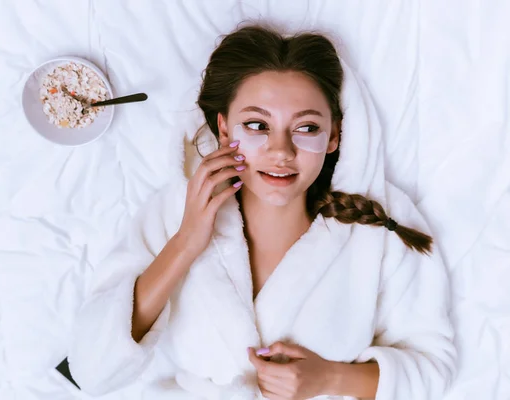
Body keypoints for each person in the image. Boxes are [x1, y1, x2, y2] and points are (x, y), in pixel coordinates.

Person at [68, 25, 457, 400]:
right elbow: (91, 370)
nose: (281, 151)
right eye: (256, 125)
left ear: (335, 134)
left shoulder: (379, 225)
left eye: (306, 128)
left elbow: (433, 369)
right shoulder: (176, 212)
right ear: (224, 130)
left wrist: (331, 378)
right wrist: (187, 242)